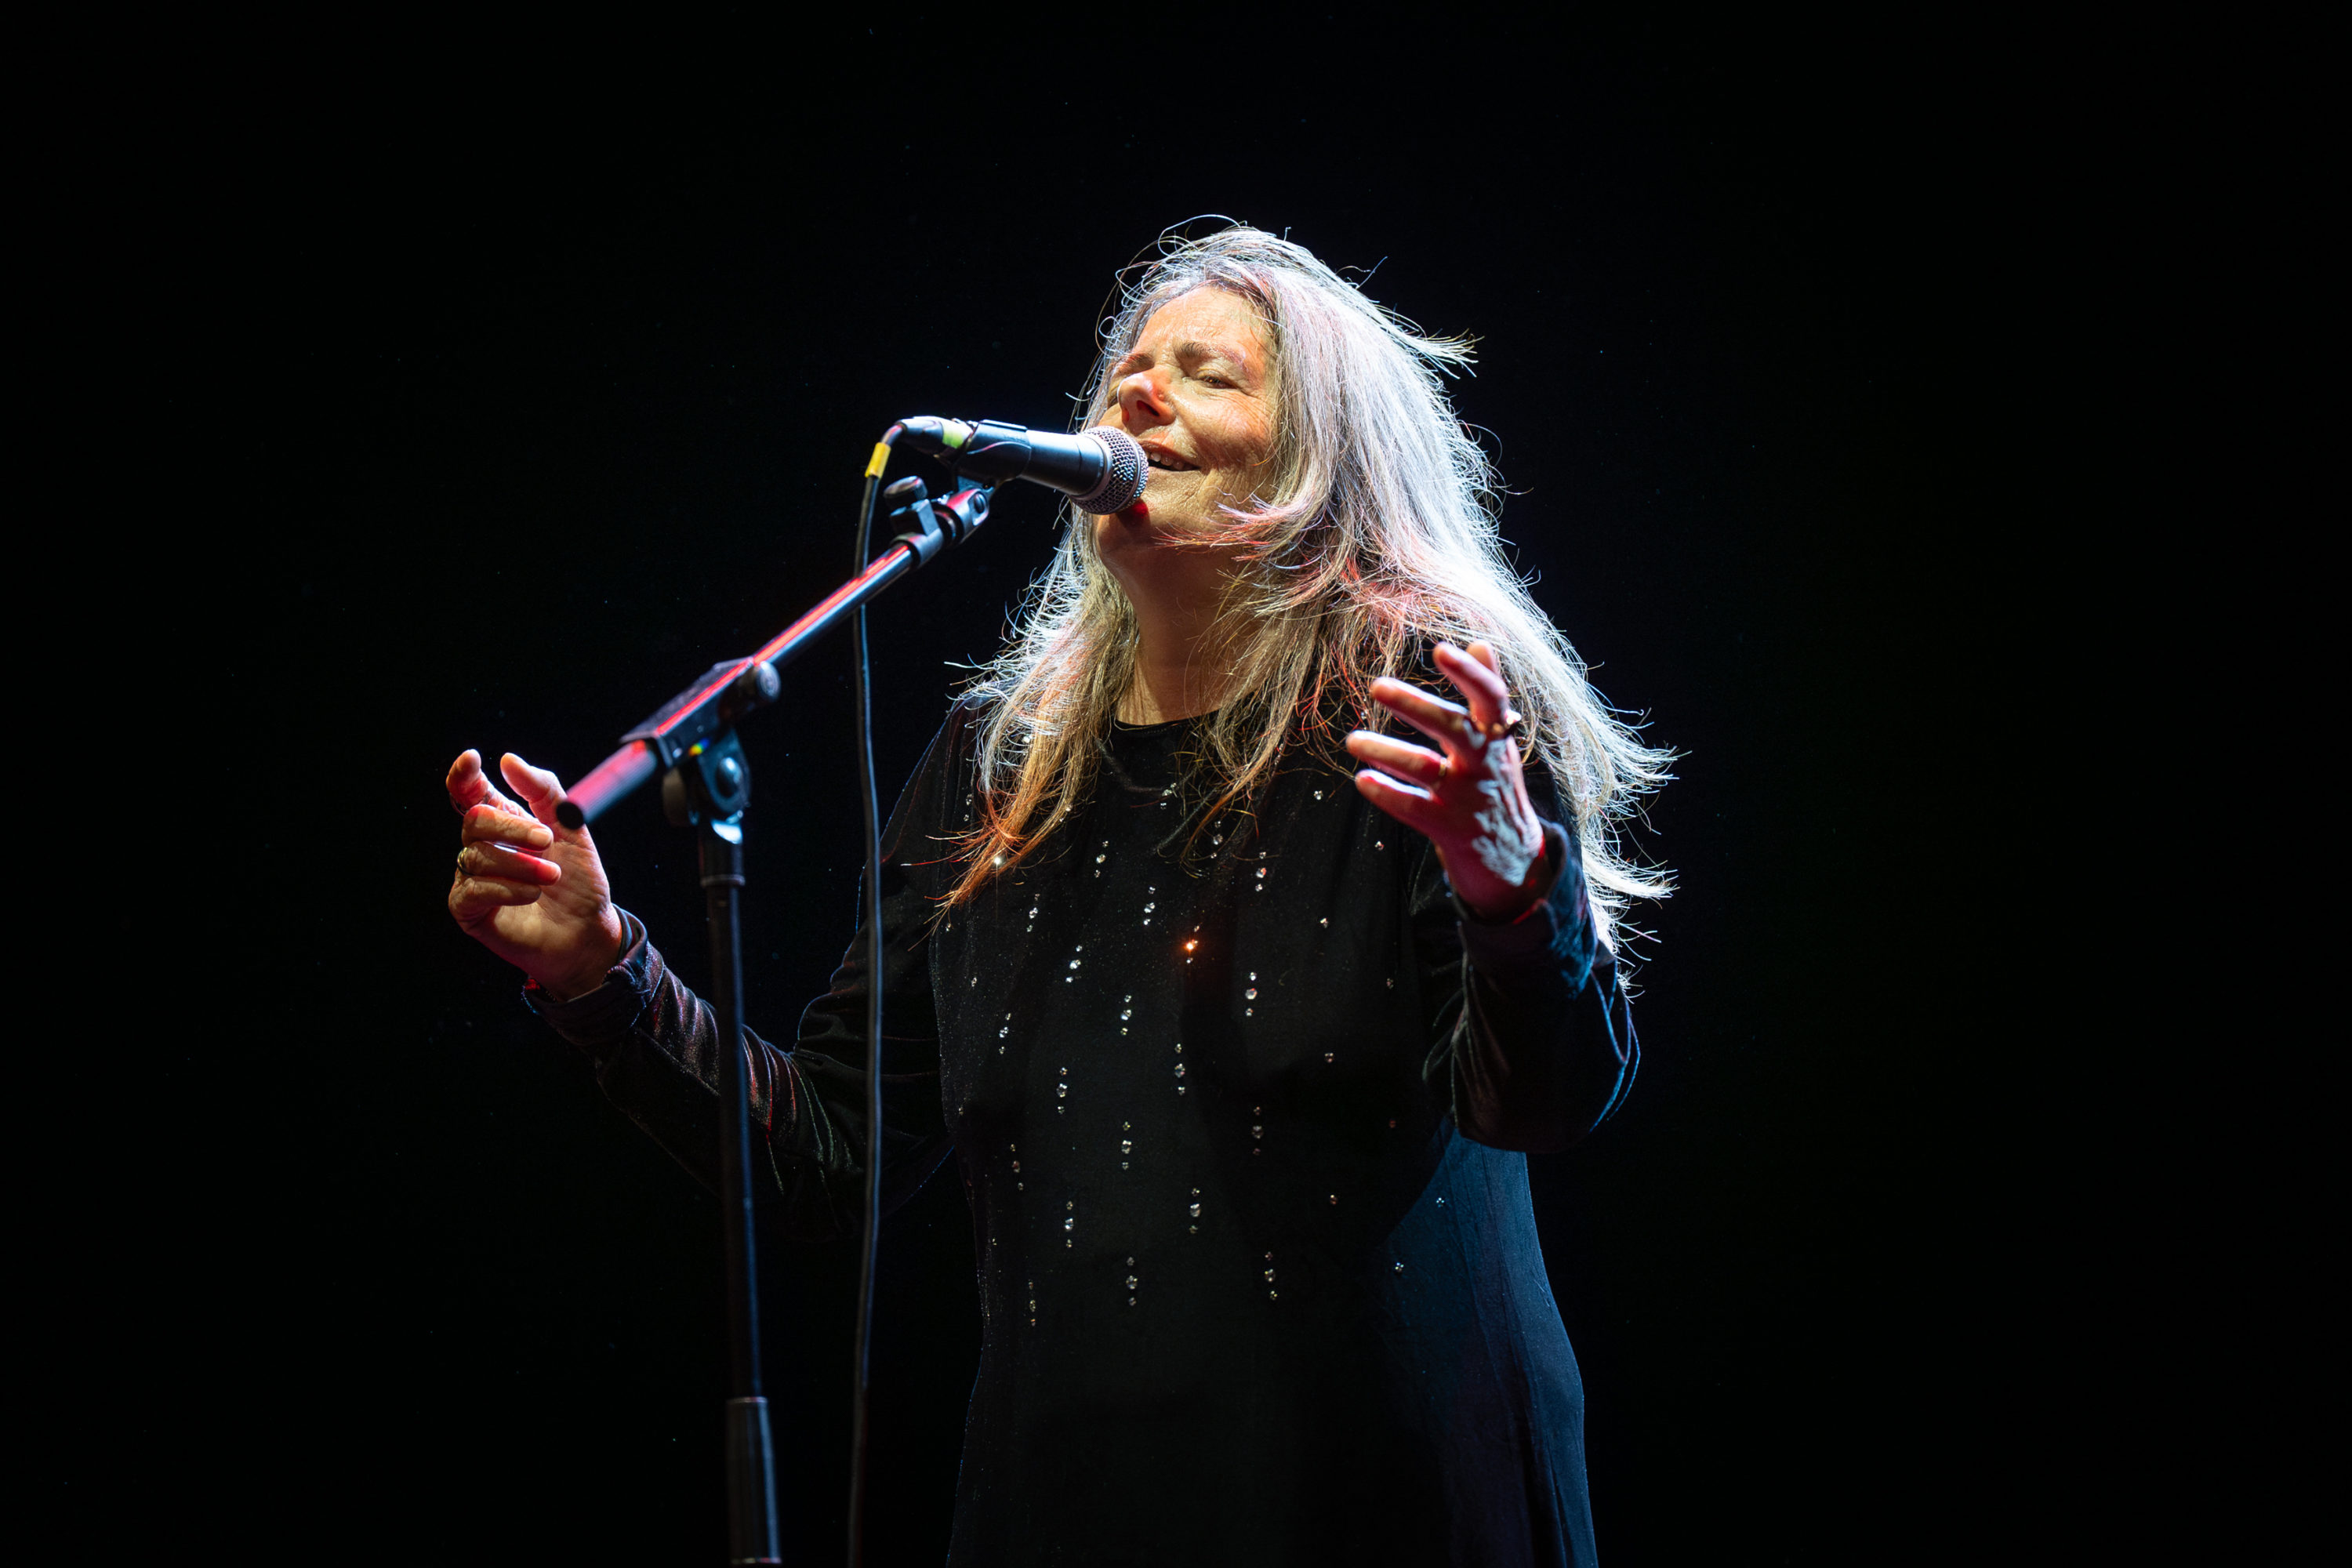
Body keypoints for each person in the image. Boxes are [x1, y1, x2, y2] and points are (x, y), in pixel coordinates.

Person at [445, 226, 1671, 1566]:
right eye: (1129, 370)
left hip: (1385, 1498)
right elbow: (827, 1161)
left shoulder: (1424, 716)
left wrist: (1517, 885)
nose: (1137, 394)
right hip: (1066, 1506)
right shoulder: (998, 770)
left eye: (1208, 376)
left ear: (1326, 460)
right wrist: (603, 973)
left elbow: (1542, 1101)